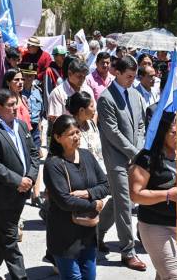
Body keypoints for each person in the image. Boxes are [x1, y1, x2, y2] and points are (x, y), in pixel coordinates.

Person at [129, 112, 177, 280]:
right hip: (155, 226)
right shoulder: (147, 158)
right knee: (173, 276)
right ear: (161, 132)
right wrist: (167, 195)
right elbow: (135, 195)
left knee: (164, 274)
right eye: (173, 132)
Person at [0, 89, 40, 280]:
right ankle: (20, 276)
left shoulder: (21, 125)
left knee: (4, 233)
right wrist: (17, 181)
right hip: (3, 194)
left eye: (16, 104)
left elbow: (34, 154)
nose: (16, 108)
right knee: (10, 237)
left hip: (23, 190)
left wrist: (29, 177)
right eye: (11, 105)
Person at [43, 115, 109, 280]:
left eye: (77, 132)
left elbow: (105, 185)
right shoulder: (54, 164)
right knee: (73, 277)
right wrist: (93, 205)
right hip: (64, 234)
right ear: (58, 138)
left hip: (88, 232)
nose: (76, 137)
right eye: (71, 134)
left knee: (90, 276)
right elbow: (65, 200)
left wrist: (88, 194)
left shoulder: (87, 155)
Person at [97, 56, 147, 271]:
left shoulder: (135, 95)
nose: (131, 80)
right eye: (128, 76)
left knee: (118, 200)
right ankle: (127, 251)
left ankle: (95, 233)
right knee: (125, 203)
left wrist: (141, 147)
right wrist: (134, 152)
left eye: (134, 77)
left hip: (135, 157)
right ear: (116, 72)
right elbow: (112, 132)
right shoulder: (106, 98)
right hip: (117, 158)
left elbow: (141, 124)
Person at [67, 92, 104, 172]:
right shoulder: (70, 130)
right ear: (81, 110)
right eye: (91, 106)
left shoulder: (92, 124)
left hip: (100, 171)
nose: (94, 109)